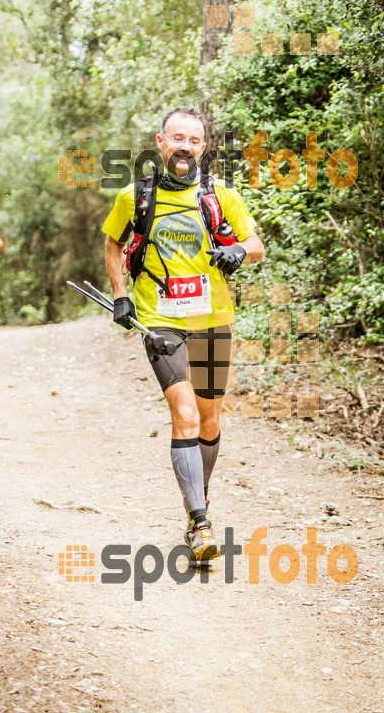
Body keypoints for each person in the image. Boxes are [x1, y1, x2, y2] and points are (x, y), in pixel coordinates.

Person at [102, 107, 264, 562]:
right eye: (177, 138)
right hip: (160, 319)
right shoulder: (135, 196)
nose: (185, 147)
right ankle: (200, 522)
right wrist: (121, 294)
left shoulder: (220, 197)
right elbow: (113, 242)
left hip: (213, 318)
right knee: (186, 414)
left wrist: (236, 251)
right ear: (160, 142)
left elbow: (257, 246)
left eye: (194, 140)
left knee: (210, 419)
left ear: (203, 147)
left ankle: (199, 498)